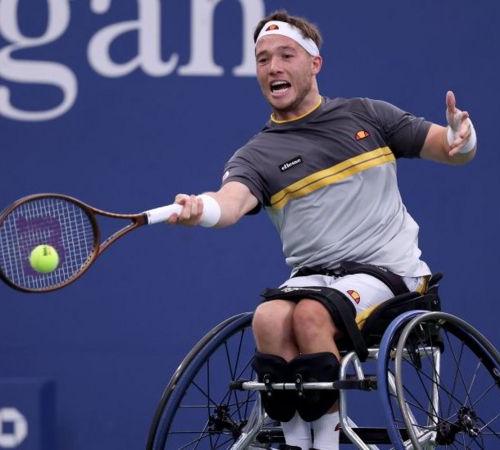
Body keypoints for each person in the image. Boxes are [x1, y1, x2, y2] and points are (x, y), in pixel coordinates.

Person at [168, 10, 477, 450]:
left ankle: (326, 445)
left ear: (314, 63)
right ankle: (297, 444)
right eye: (261, 59)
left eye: (285, 55)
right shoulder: (255, 155)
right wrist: (202, 209)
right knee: (269, 316)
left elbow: (448, 148)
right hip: (313, 278)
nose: (272, 67)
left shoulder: (367, 116)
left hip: (388, 274)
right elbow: (230, 203)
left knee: (312, 314)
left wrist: (462, 138)